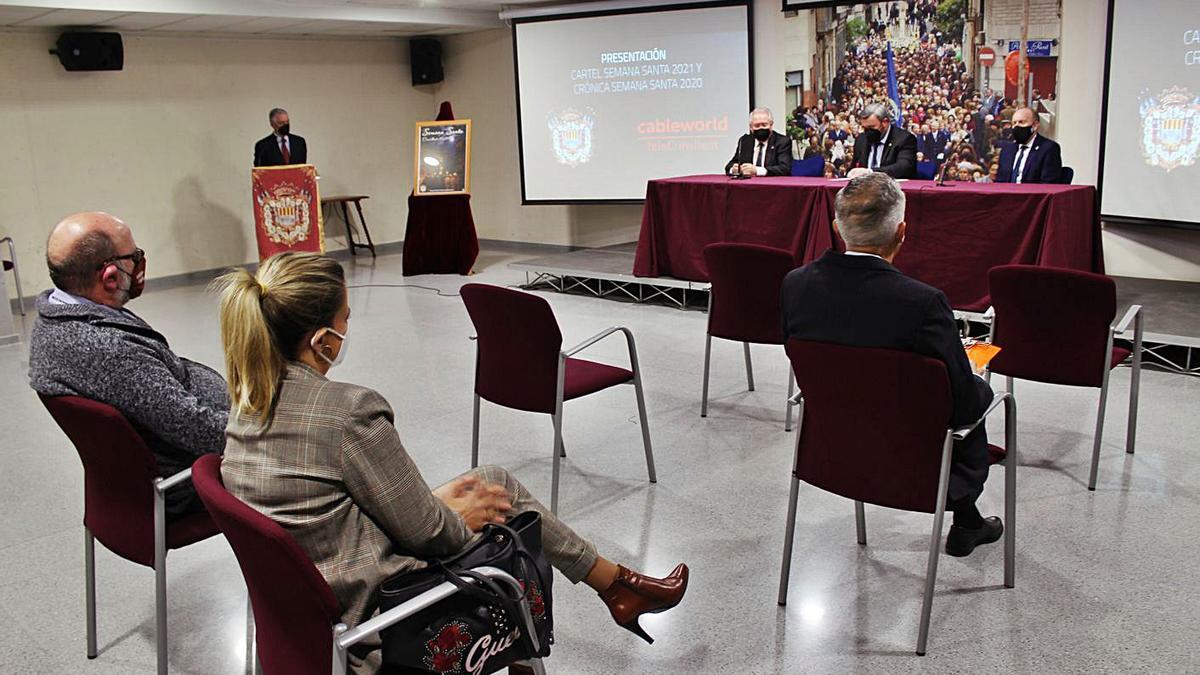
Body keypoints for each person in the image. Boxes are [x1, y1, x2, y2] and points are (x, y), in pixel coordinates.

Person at [216, 252, 689, 674]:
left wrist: (446, 504)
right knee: (509, 523)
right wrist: (459, 515)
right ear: (324, 341)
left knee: (491, 480)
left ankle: (617, 585)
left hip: (311, 606)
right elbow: (433, 535)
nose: (346, 332)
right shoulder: (348, 411)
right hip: (383, 620)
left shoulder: (247, 403)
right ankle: (613, 593)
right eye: (345, 320)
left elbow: (334, 507)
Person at [779, 173, 1001, 557]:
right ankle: (966, 520)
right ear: (902, 231)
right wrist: (977, 380)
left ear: (838, 228)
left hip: (832, 451)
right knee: (977, 398)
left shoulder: (796, 284)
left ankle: (969, 521)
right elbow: (962, 405)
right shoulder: (923, 303)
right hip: (915, 464)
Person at [28, 212, 229, 517]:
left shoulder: (57, 313)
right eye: (134, 256)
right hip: (187, 479)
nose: (140, 262)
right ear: (110, 276)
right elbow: (199, 431)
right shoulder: (110, 352)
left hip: (137, 475)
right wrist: (271, 429)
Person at [995, 107, 1063, 184]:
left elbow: (1048, 183)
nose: (1017, 127)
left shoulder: (1048, 148)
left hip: (1033, 194)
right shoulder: (1007, 150)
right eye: (1014, 123)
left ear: (1035, 125)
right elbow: (999, 181)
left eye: (1021, 122)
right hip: (1007, 194)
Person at [849, 103, 917, 179]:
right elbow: (855, 166)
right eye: (864, 128)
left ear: (885, 122)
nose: (867, 132)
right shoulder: (861, 139)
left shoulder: (904, 139)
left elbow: (903, 167)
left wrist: (871, 172)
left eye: (871, 127)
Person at [725, 107, 792, 177]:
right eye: (756, 126)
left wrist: (757, 170)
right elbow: (730, 165)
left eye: (764, 125)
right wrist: (734, 169)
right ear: (751, 127)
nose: (760, 128)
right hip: (747, 184)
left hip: (773, 184)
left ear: (771, 125)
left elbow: (785, 168)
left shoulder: (782, 141)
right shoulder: (745, 141)